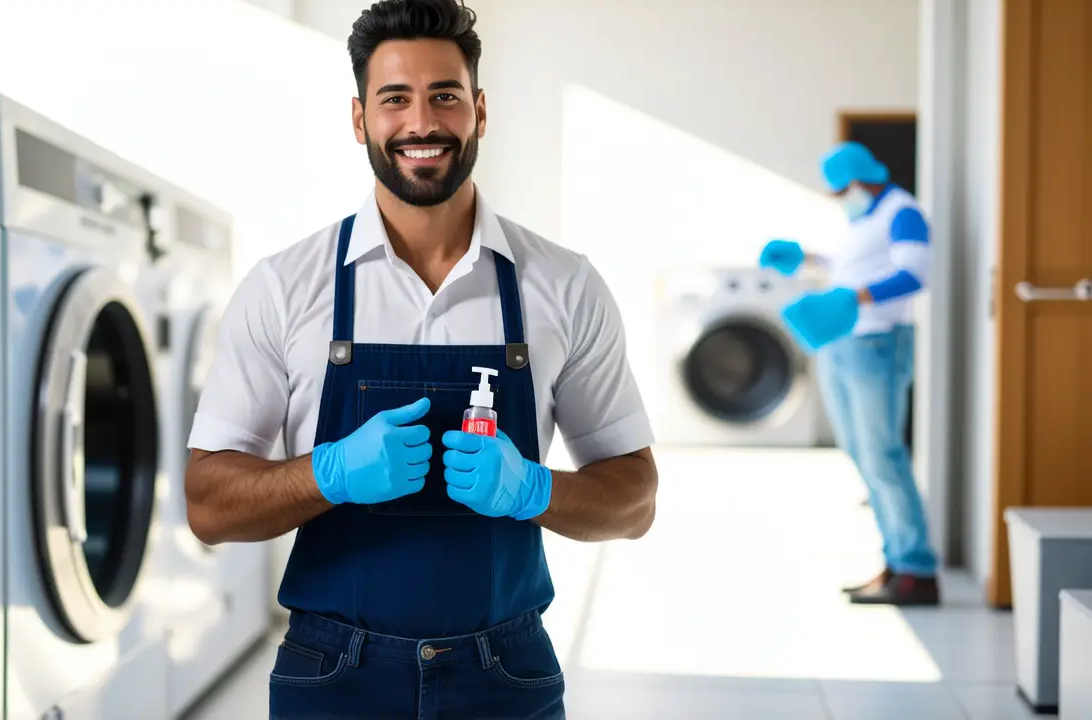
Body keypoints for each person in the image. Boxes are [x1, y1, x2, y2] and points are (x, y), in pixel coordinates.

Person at [183, 1, 658, 717]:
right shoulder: (286, 287)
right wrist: (329, 473)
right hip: (332, 673)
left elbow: (636, 501)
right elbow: (208, 505)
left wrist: (534, 490)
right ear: (358, 118)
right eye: (394, 98)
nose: (421, 123)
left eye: (445, 96)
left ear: (481, 111)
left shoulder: (562, 285)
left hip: (508, 674)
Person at [759, 141, 940, 607]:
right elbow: (851, 268)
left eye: (841, 190)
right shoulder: (864, 220)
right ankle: (895, 562)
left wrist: (854, 300)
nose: (840, 199)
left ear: (860, 179)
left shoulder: (903, 211)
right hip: (845, 341)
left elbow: (916, 273)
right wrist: (807, 258)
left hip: (878, 341)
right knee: (863, 454)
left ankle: (917, 571)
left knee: (883, 455)